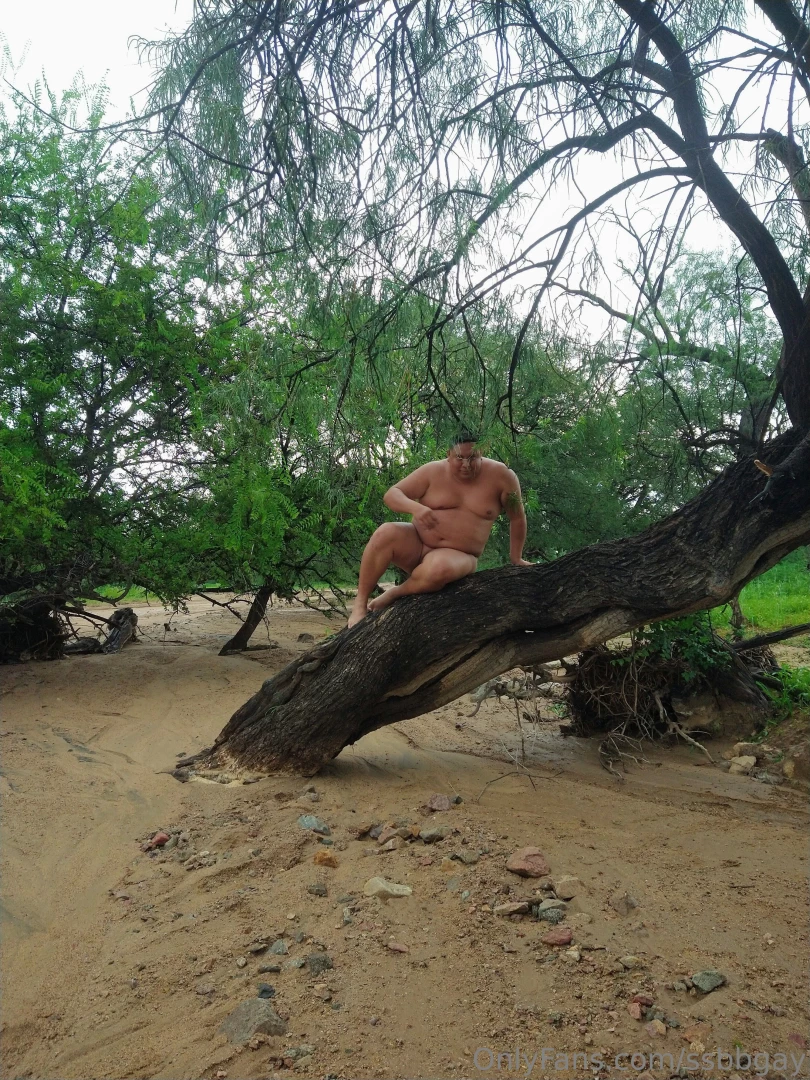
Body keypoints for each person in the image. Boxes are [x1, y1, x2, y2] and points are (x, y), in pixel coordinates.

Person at [348, 433, 532, 626]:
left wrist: (516, 558)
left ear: (482, 452)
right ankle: (360, 604)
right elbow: (392, 494)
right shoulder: (432, 471)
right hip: (418, 544)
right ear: (448, 454)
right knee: (385, 532)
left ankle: (397, 592)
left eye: (473, 457)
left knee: (438, 568)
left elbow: (517, 517)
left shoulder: (503, 477)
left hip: (460, 555)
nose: (466, 465)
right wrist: (416, 508)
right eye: (459, 458)